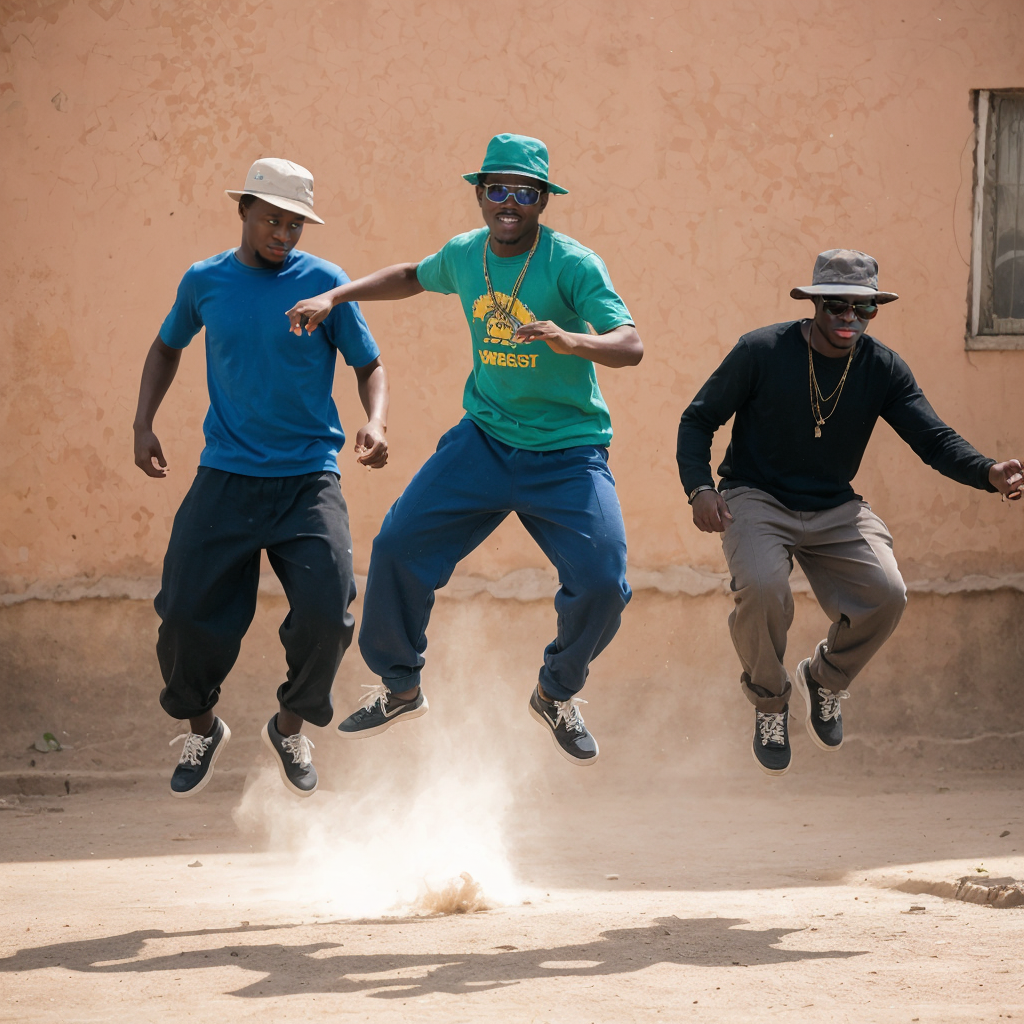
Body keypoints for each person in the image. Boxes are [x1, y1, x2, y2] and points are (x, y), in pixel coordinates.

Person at [286, 133, 642, 766]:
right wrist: (334, 297)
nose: (510, 202)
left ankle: (556, 692)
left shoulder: (573, 264)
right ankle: (400, 686)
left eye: (525, 192)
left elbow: (629, 343)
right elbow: (408, 277)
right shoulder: (466, 254)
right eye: (498, 189)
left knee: (603, 582)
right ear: (481, 194)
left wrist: (572, 340)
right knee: (396, 547)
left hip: (568, 454)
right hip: (484, 440)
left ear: (542, 201)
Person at [676, 249, 1023, 776]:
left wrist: (988, 472)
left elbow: (932, 439)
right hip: (755, 496)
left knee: (887, 593)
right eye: (837, 306)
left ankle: (824, 679)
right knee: (765, 587)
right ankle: (771, 703)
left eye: (863, 309)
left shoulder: (882, 368)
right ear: (815, 303)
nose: (848, 320)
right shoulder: (761, 351)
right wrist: (699, 488)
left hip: (834, 504)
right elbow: (697, 420)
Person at [133, 158, 389, 798]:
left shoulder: (326, 284)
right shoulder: (205, 281)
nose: (283, 234)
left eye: (295, 224)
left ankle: (289, 726)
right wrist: (143, 423)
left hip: (308, 482)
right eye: (272, 219)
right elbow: (167, 346)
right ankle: (203, 727)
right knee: (184, 615)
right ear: (243, 211)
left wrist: (376, 422)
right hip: (225, 476)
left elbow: (369, 364)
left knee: (329, 616)